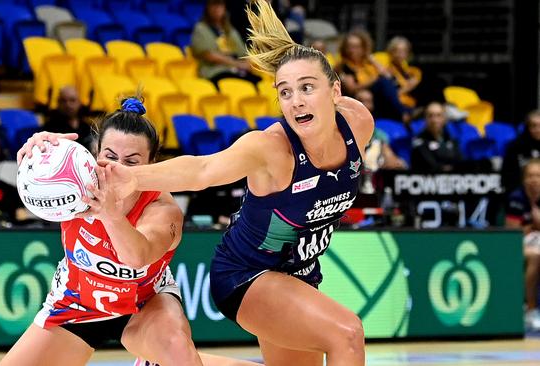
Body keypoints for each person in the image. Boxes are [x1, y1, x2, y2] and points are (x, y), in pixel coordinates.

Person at [87, 2, 373, 364]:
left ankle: (163, 363)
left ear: (334, 91)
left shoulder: (359, 123)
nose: (296, 101)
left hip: (299, 276)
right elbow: (202, 171)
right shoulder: (270, 148)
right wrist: (131, 176)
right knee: (347, 333)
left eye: (307, 87)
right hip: (247, 275)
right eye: (284, 91)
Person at [9, 97, 261, 366]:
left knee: (178, 350)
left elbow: (137, 256)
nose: (116, 168)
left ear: (152, 164)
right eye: (109, 156)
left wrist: (109, 214)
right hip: (77, 304)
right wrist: (38, 152)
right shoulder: (76, 185)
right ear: (96, 154)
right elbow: (36, 181)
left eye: (132, 161)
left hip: (144, 305)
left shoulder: (162, 208)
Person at [336, 29, 409, 122]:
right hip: (358, 97)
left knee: (386, 83)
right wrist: (374, 80)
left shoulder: (367, 63)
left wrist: (370, 58)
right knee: (382, 83)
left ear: (363, 48)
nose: (352, 50)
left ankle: (404, 112)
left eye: (356, 47)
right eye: (349, 47)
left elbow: (387, 76)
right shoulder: (343, 66)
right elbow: (352, 88)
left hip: (376, 97)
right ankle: (403, 113)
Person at [505, 158, 540, 331]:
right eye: (530, 176)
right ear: (524, 179)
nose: (534, 180)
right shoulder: (516, 198)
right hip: (520, 244)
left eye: (538, 176)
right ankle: (531, 309)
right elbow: (513, 233)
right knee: (535, 256)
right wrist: (533, 225)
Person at [191, 0, 261, 86]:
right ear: (207, 8)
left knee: (257, 81)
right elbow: (209, 55)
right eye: (213, 5)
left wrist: (247, 64)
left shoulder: (230, 30)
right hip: (214, 72)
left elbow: (243, 53)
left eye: (220, 5)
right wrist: (236, 64)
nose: (217, 9)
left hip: (235, 71)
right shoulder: (201, 28)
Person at [410, 102, 463, 173]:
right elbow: (431, 165)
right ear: (425, 119)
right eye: (430, 115)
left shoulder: (451, 139)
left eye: (438, 115)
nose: (434, 120)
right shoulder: (419, 141)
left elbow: (459, 163)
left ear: (444, 119)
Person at [44, 85, 95, 152]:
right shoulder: (49, 130)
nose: (68, 104)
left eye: (72, 100)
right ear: (58, 103)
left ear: (79, 102)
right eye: (64, 101)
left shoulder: (88, 128)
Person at [502, 109, 540, 192]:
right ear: (527, 127)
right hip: (522, 192)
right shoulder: (515, 147)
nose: (538, 129)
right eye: (534, 126)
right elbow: (507, 175)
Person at [385, 36, 422, 108]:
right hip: (394, 106)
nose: (399, 54)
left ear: (408, 53)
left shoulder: (414, 71)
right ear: (390, 52)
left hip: (413, 104)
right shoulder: (386, 70)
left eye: (403, 51)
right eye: (396, 51)